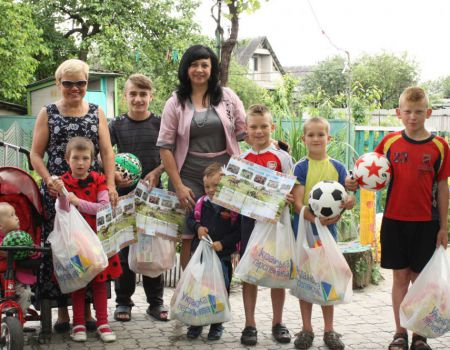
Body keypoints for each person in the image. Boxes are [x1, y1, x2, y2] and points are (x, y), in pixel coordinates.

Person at [346, 87, 450, 350]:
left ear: (428, 113)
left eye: (418, 112)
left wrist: (443, 227)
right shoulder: (390, 143)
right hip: (394, 222)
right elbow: (366, 172)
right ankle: (399, 333)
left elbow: (443, 187)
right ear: (398, 113)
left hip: (427, 225)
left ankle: (419, 335)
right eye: (407, 111)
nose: (412, 117)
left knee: (421, 282)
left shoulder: (440, 146)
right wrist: (352, 181)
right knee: (400, 279)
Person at [30, 58, 118, 333]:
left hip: (92, 191)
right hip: (60, 194)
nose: (75, 88)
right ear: (59, 84)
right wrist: (49, 180)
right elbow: (35, 153)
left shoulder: (96, 112)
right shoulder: (48, 113)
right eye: (69, 83)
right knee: (64, 250)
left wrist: (111, 185)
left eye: (81, 82)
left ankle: (89, 313)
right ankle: (64, 313)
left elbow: (106, 152)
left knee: (90, 250)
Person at [157, 45, 246, 270]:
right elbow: (165, 147)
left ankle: (220, 290)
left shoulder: (228, 97)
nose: (199, 69)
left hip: (224, 176)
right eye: (194, 64)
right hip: (188, 175)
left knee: (224, 231)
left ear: (212, 68)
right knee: (189, 235)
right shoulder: (175, 102)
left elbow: (246, 131)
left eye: (204, 65)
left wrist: (271, 145)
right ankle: (187, 292)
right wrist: (177, 185)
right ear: (186, 69)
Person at [291, 117, 355, 350]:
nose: (316, 139)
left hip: (329, 232)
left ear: (329, 138)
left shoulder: (337, 167)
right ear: (304, 139)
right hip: (305, 232)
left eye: (321, 135)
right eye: (311, 135)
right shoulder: (301, 167)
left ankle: (330, 330)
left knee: (327, 279)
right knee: (307, 280)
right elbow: (298, 204)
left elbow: (347, 199)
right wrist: (315, 218)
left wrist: (347, 205)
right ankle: (307, 329)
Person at [109, 74, 168, 322]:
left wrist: (156, 172)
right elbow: (104, 154)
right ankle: (123, 302)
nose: (138, 99)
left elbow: (172, 156)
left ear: (150, 96)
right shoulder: (116, 125)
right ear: (125, 96)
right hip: (124, 197)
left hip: (154, 195)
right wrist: (113, 175)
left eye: (143, 94)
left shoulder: (161, 123)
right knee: (124, 248)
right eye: (133, 94)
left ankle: (156, 303)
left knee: (151, 247)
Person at [53, 137, 121, 342]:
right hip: (75, 242)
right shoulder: (63, 181)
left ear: (92, 160)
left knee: (100, 283)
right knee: (78, 282)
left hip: (97, 240)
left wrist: (78, 201)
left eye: (85, 158)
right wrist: (63, 194)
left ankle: (103, 323)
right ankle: (79, 324)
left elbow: (103, 207)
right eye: (76, 158)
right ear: (67, 159)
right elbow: (63, 210)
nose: (80, 163)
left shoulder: (99, 180)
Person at [239, 104, 295, 346]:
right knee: (248, 274)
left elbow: (293, 190)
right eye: (254, 127)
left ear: (272, 127)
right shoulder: (240, 160)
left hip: (276, 225)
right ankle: (249, 324)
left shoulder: (283, 158)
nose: (259, 131)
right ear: (246, 129)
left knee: (277, 271)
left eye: (264, 127)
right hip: (248, 224)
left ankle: (278, 322)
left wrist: (289, 198)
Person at [184, 162, 241, 341]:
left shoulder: (232, 208)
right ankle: (196, 323)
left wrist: (223, 244)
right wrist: (198, 228)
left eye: (215, 185)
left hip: (222, 258)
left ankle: (217, 325)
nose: (210, 189)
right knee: (199, 290)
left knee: (220, 290)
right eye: (207, 186)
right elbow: (190, 220)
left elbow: (238, 232)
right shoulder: (201, 203)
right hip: (202, 257)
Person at [0, 203, 37, 313]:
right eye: (11, 215)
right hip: (2, 277)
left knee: (26, 294)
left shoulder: (22, 237)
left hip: (18, 278)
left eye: (15, 214)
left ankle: (20, 316)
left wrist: (32, 251)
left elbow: (33, 248)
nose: (17, 217)